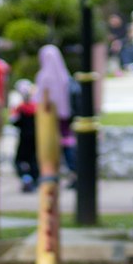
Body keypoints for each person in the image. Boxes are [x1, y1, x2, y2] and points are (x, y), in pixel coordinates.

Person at [34, 43, 77, 182]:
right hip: (65, 115)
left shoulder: (45, 76)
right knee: (67, 141)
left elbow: (43, 100)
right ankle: (73, 169)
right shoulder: (64, 74)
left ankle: (52, 172)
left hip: (49, 118)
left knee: (50, 146)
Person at [10, 80, 38, 191]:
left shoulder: (20, 108)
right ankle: (33, 179)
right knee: (33, 160)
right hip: (35, 138)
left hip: (24, 138)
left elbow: (14, 122)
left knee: (19, 160)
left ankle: (26, 178)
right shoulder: (36, 107)